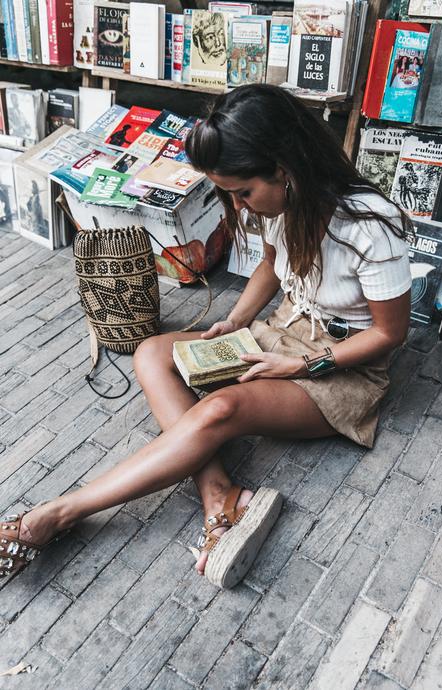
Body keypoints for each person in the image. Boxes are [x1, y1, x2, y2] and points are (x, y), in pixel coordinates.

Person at [0, 85, 412, 589]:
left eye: (242, 192)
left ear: (284, 167)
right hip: (281, 330)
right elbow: (271, 266)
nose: (240, 206)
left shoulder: (371, 224)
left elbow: (390, 334)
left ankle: (59, 514)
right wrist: (235, 321)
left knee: (219, 410)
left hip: (342, 365)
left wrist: (303, 366)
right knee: (152, 351)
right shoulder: (281, 204)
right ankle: (220, 497)